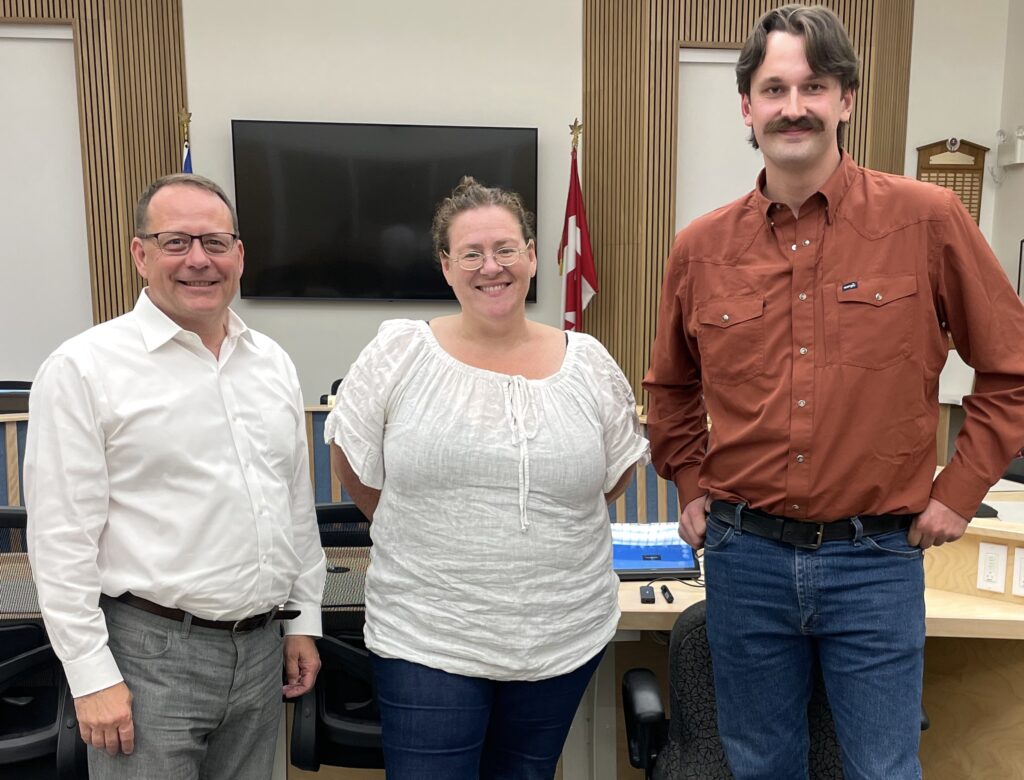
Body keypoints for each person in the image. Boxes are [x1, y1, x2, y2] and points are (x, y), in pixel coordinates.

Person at [643, 5, 1024, 779]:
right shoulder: (702, 247)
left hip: (877, 557)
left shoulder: (928, 219)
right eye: (773, 88)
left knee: (883, 770)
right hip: (744, 554)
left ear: (845, 99)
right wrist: (688, 482)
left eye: (812, 86)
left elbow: (1011, 366)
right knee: (759, 767)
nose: (793, 106)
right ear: (746, 106)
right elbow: (670, 386)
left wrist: (958, 492)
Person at [326, 176, 648, 779]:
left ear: (531, 255)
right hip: (429, 634)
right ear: (446, 267)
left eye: (504, 249)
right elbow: (356, 467)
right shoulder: (400, 354)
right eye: (470, 253)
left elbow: (609, 480)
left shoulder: (590, 364)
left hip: (560, 634)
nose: (490, 266)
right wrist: (428, 528)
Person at [24, 173, 326, 779]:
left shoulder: (271, 363)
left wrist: (303, 621)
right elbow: (61, 541)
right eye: (175, 242)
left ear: (239, 255)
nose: (198, 261)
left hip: (263, 652)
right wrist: (91, 677)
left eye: (215, 243)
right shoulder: (84, 368)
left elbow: (294, 503)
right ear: (140, 254)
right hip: (147, 659)